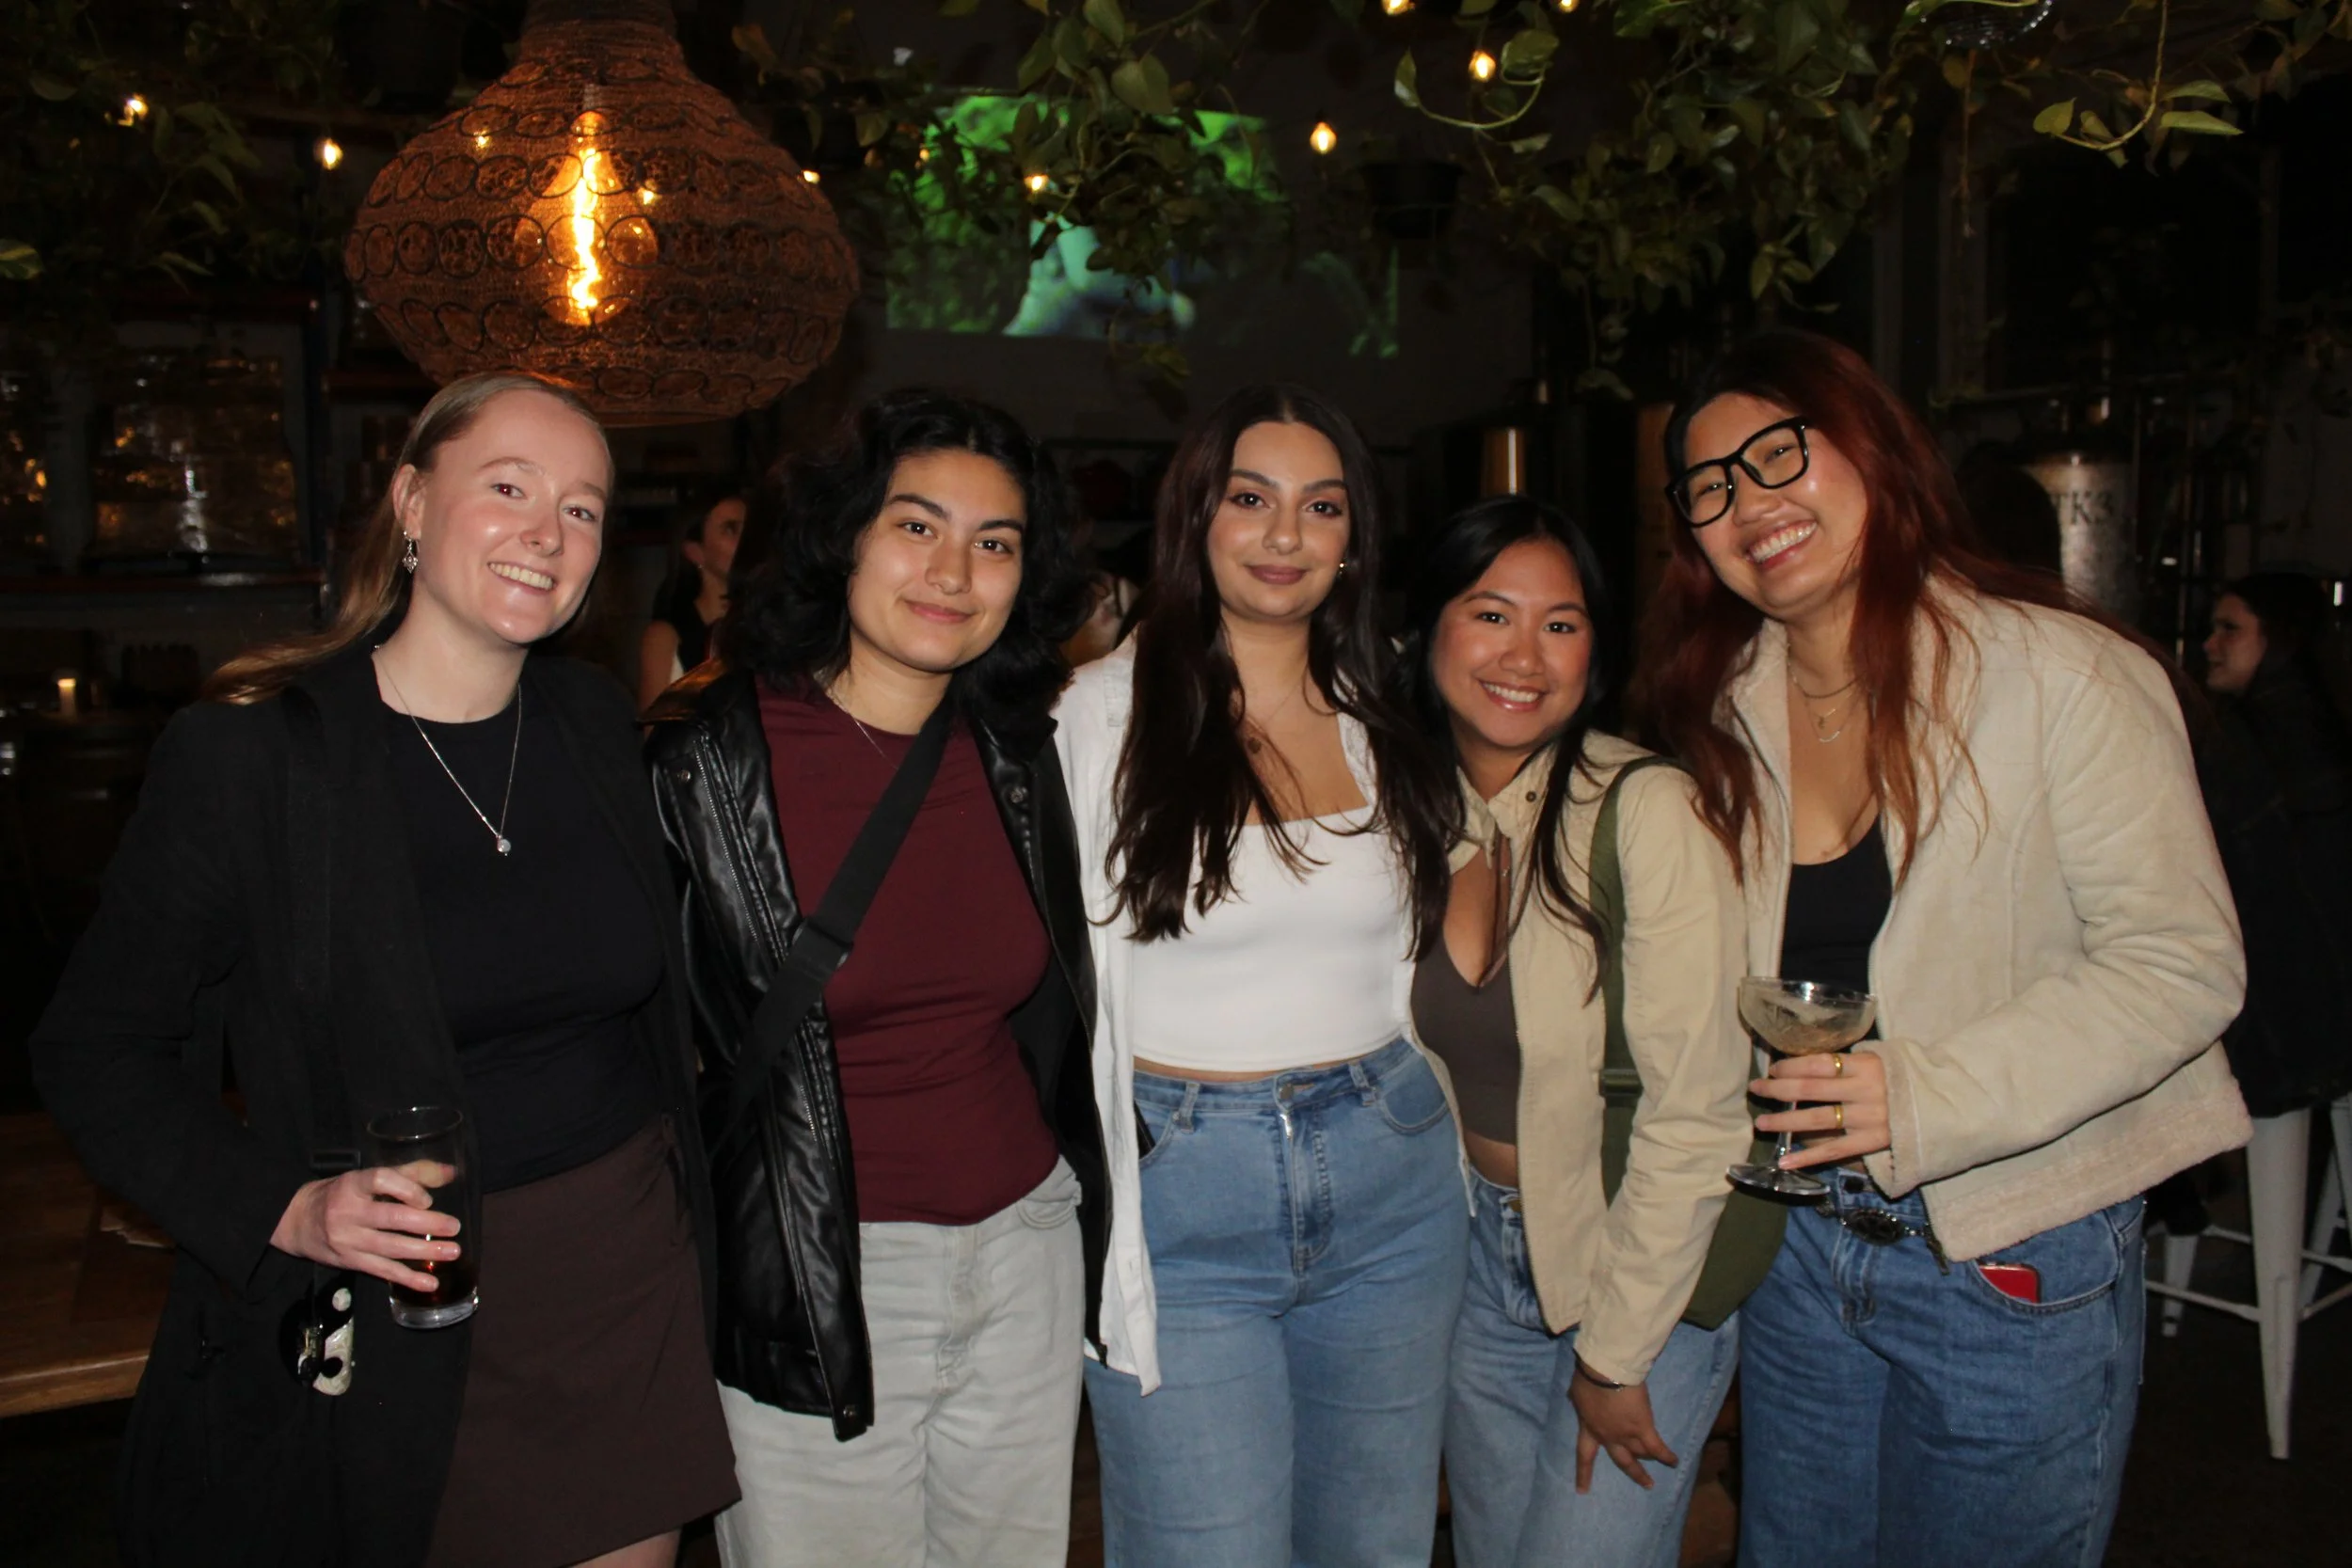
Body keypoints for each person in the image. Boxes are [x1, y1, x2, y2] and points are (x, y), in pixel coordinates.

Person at [30, 371, 737, 1568]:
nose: (545, 533)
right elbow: (93, 1046)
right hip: (407, 1310)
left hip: (622, 1276)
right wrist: (282, 1207)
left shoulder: (596, 729)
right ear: (411, 501)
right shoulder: (254, 758)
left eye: (581, 508)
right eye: (506, 487)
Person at [1636, 328, 2250, 1568]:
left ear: (1870, 444)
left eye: (1776, 455)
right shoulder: (1720, 710)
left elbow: (2184, 961)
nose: (1750, 504)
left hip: (2009, 1241)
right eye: (1711, 488)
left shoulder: (2062, 672)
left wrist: (1918, 1092)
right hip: (1802, 1245)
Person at [643, 390, 1104, 1568]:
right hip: (816, 1266)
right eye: (916, 526)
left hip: (1025, 1251)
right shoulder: (702, 757)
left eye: (994, 542)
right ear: (845, 536)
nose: (955, 570)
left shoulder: (1015, 749)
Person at [1056, 382, 1464, 1567]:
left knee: (1374, 1546)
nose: (1286, 535)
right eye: (1252, 498)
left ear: (1352, 542)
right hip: (1182, 1192)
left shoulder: (1387, 709)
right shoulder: (1094, 716)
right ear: (1197, 517)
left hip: (1390, 1173)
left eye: (1321, 506)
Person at [1398, 497, 1754, 1568]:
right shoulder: (1402, 813)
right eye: (1490, 613)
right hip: (1472, 1270)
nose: (1524, 655)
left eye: (1560, 622)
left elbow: (1700, 1106)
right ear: (1428, 630)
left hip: (1632, 1268)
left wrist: (1615, 1352)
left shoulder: (1647, 809)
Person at [2196, 573, 2352, 1119]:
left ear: (2278, 640)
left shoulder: (2254, 749)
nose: (2210, 644)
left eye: (2230, 630)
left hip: (2286, 1004)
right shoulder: (2321, 728)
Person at [639, 487, 747, 711]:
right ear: (695, 551)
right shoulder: (667, 636)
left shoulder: (766, 623)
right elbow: (656, 736)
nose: (747, 540)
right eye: (730, 529)